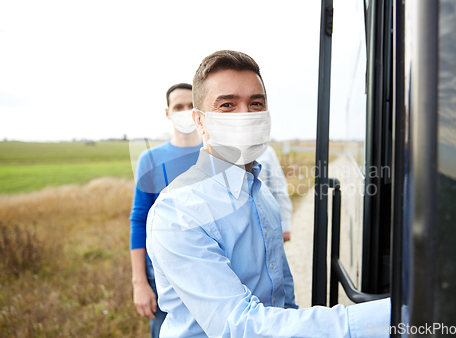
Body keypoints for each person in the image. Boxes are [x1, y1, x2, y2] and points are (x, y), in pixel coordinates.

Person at [146, 50, 390, 337]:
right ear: (199, 121)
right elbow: (240, 326)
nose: (245, 115)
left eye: (256, 103)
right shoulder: (177, 212)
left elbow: (282, 300)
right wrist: (390, 317)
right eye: (227, 104)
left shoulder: (261, 195)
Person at [129, 83, 202, 338]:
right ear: (168, 113)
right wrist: (140, 282)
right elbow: (139, 220)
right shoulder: (150, 159)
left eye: (191, 105)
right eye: (178, 106)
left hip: (209, 268)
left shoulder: (215, 155)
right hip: (161, 275)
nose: (185, 111)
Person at [257, 145, 292, 242]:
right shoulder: (218, 150)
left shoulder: (266, 151)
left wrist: (285, 225)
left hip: (261, 223)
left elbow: (279, 189)